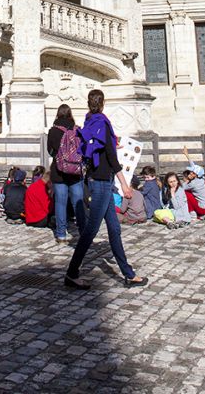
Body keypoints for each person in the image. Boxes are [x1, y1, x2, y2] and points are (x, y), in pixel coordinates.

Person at [64, 89, 148, 291]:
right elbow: (112, 159)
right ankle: (72, 273)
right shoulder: (103, 123)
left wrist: (111, 146)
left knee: (114, 228)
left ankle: (128, 274)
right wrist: (125, 185)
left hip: (97, 180)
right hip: (102, 182)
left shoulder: (90, 121)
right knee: (91, 231)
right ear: (103, 103)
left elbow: (99, 150)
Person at [47, 103, 87, 245]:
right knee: (78, 202)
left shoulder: (53, 131)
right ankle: (83, 231)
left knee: (60, 202)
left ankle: (61, 234)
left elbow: (50, 151)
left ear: (57, 114)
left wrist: (60, 156)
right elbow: (83, 149)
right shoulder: (77, 130)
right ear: (70, 115)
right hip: (75, 171)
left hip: (59, 171)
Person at [182, 146, 205, 219]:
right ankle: (203, 215)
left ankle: (192, 213)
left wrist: (187, 180)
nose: (190, 173)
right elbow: (193, 165)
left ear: (196, 175)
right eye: (191, 172)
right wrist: (186, 154)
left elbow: (182, 187)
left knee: (187, 193)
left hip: (202, 209)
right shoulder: (201, 179)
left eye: (192, 173)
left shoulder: (193, 183)